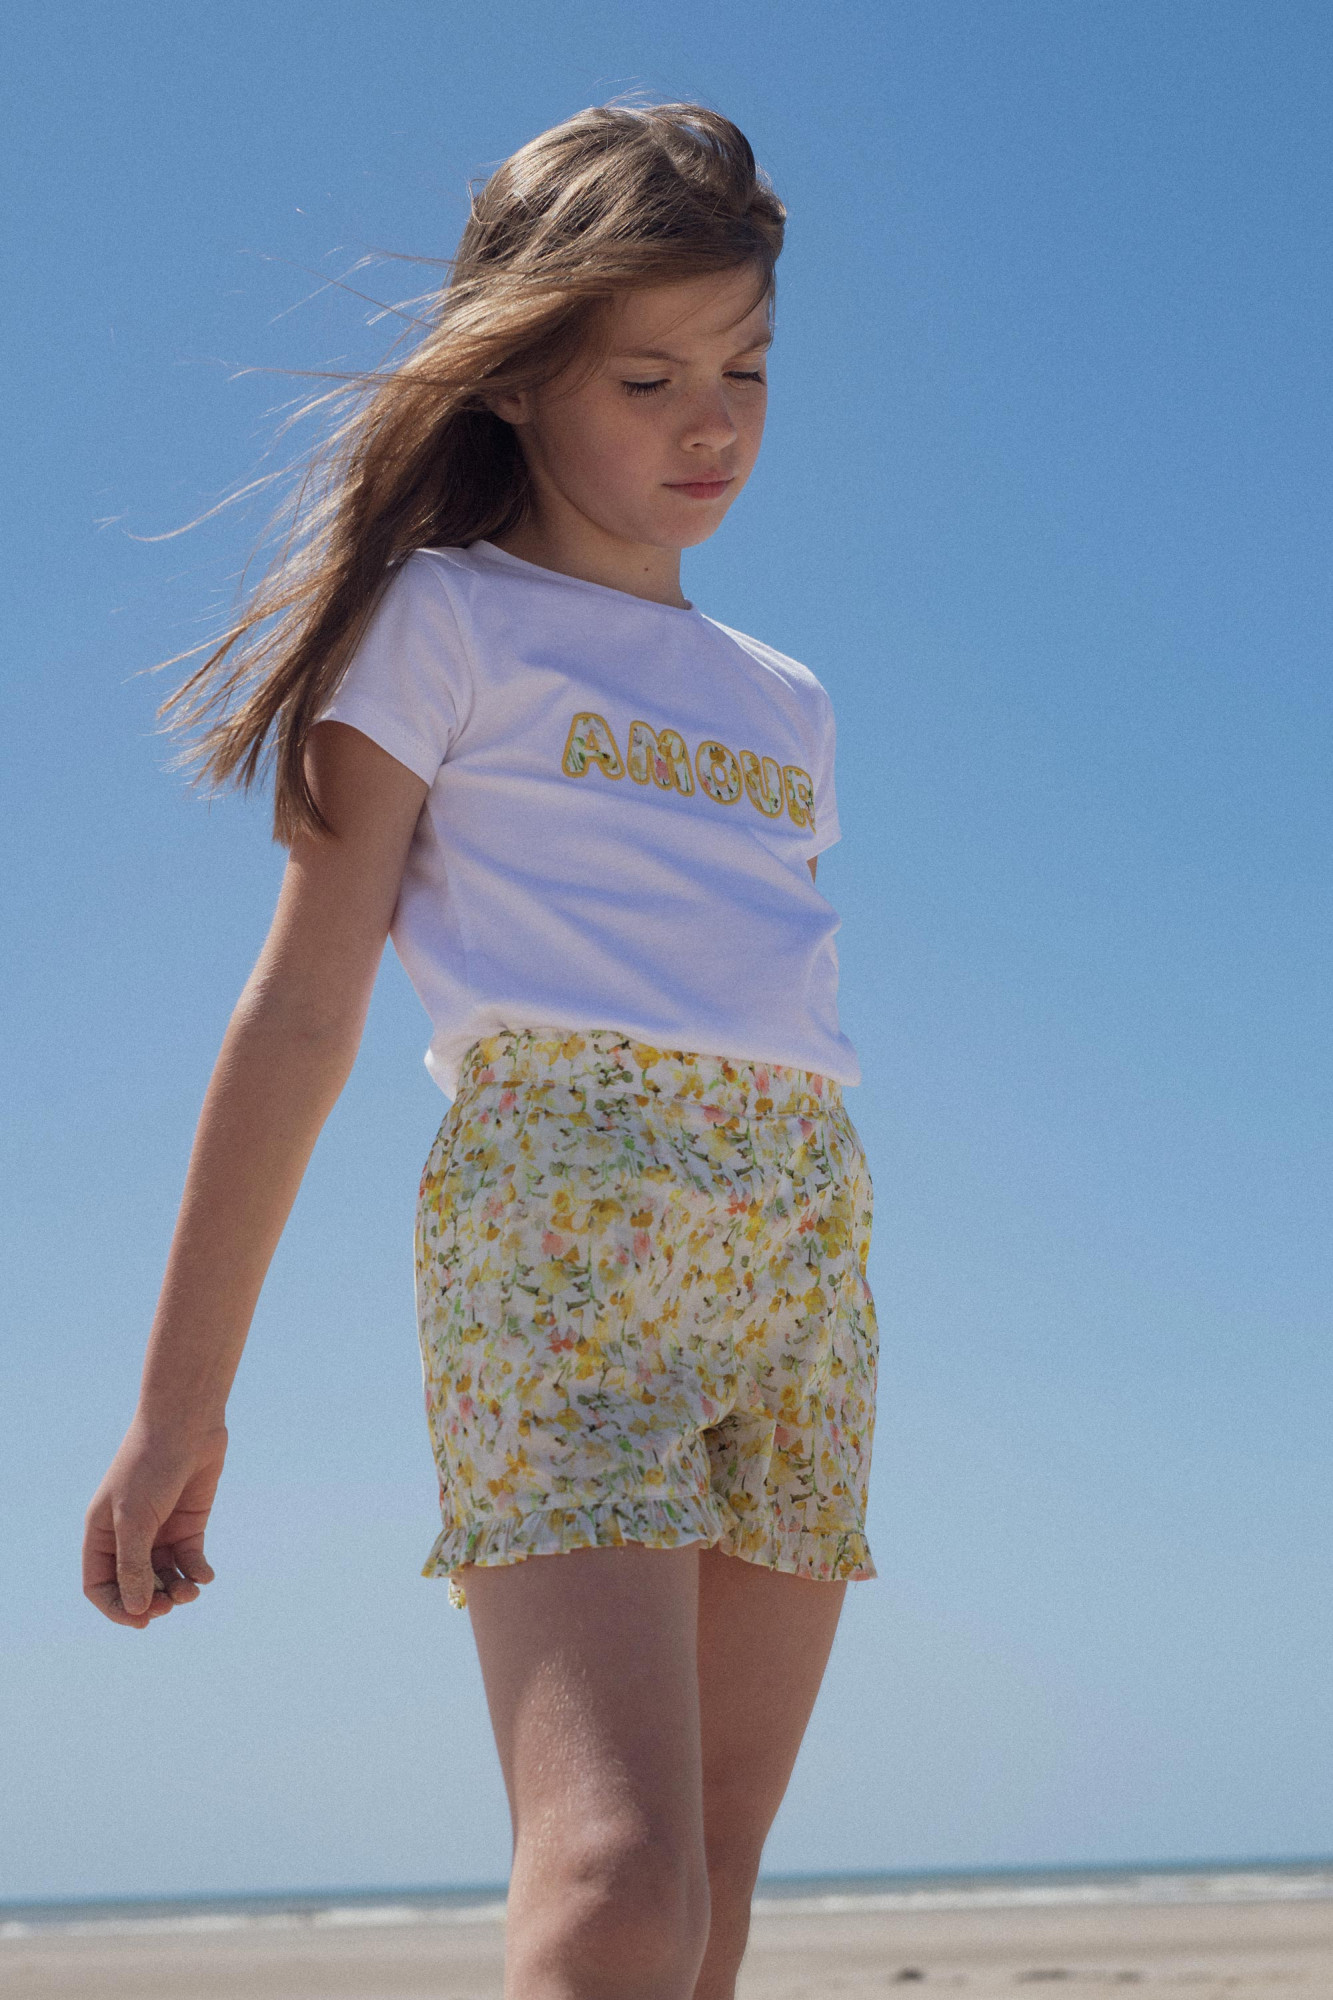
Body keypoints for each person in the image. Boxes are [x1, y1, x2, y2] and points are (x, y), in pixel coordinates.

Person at [82, 103, 878, 2000]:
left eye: (747, 370)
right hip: (558, 1244)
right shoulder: (441, 621)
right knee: (613, 1885)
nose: (712, 424)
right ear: (514, 375)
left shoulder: (786, 701)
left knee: (710, 1893)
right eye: (648, 378)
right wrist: (181, 1405)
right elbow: (302, 1008)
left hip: (807, 1253)